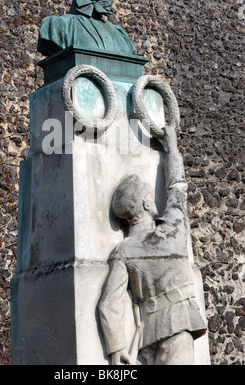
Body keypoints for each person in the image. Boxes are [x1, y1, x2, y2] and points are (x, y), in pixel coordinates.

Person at [98, 126, 207, 365]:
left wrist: (116, 347)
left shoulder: (123, 252)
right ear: (147, 203)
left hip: (146, 336)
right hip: (179, 325)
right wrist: (172, 149)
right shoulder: (172, 231)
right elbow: (177, 187)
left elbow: (108, 303)